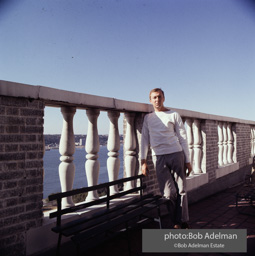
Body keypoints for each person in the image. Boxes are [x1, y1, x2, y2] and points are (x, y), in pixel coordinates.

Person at [141, 88, 192, 229]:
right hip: (159, 157)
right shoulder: (148, 118)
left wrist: (188, 160)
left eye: (159, 97)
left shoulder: (173, 115)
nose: (157, 100)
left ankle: (181, 222)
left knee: (181, 190)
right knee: (168, 193)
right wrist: (143, 161)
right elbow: (144, 140)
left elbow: (182, 138)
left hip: (176, 154)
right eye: (154, 98)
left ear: (164, 98)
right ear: (150, 100)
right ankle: (177, 220)